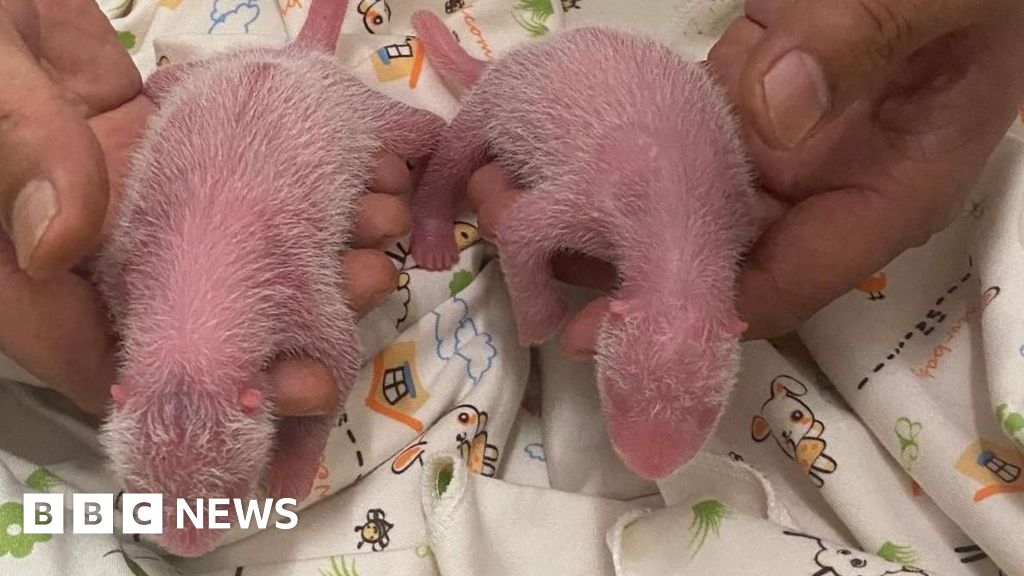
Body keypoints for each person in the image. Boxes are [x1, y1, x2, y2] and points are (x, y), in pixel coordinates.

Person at [2, 0, 1022, 415]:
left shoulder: (731, 219)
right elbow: (513, 219)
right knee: (440, 142)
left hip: (595, 76)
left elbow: (531, 227)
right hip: (551, 78)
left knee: (403, 146)